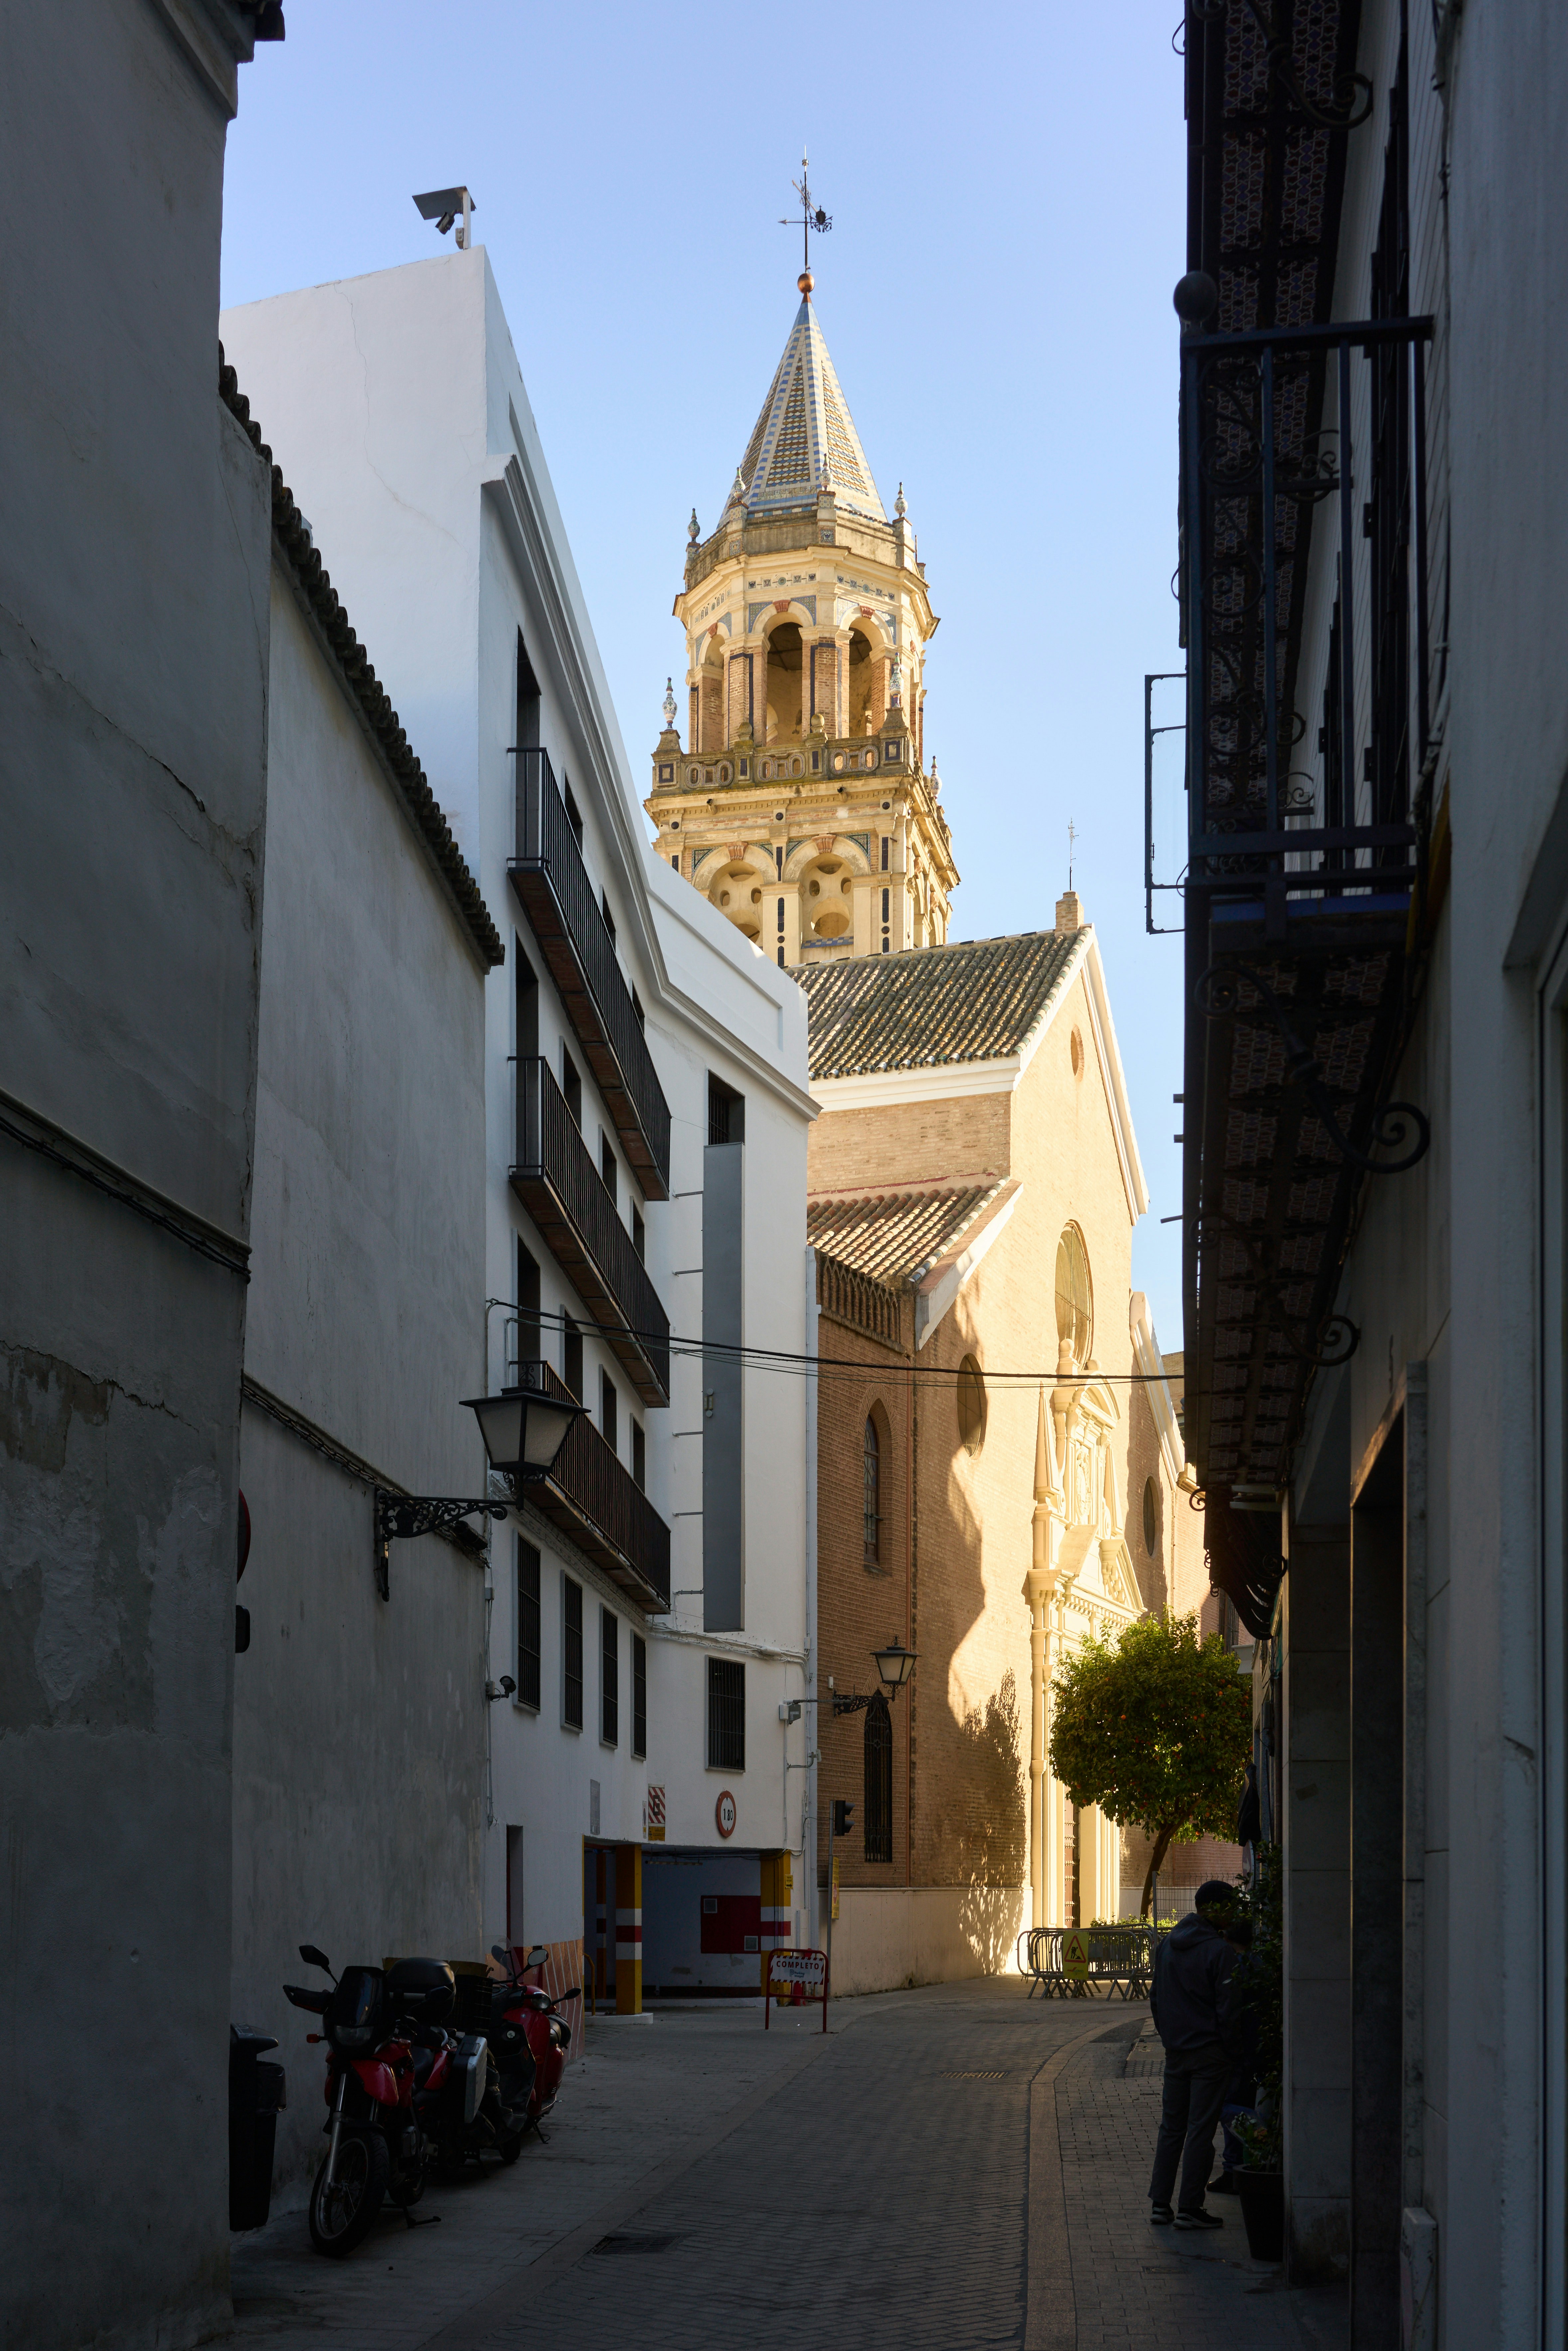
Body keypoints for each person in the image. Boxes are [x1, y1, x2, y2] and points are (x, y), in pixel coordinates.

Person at [1147, 1878, 1240, 2230]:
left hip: (1176, 2053)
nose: (1235, 1914)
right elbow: (1228, 2010)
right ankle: (1190, 2207)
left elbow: (1156, 1998)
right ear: (1215, 1909)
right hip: (1210, 2054)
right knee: (1201, 2130)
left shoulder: (1168, 1945)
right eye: (1231, 1907)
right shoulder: (1220, 1952)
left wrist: (1170, 2037)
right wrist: (1231, 2049)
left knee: (1171, 2128)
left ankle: (1161, 2204)